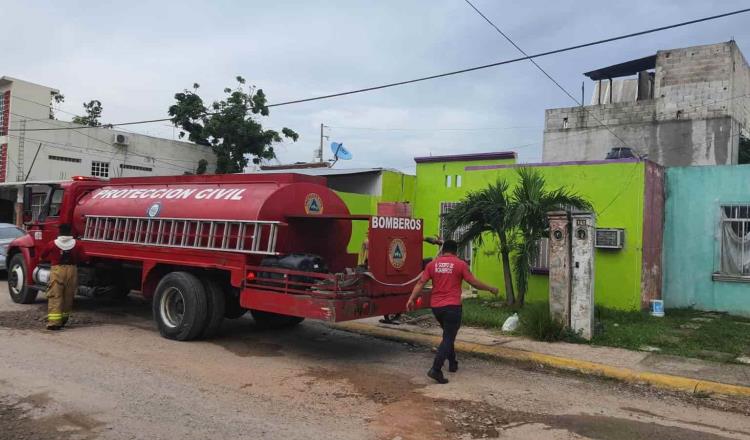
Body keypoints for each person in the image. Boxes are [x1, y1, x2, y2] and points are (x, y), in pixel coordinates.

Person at [406, 240, 498, 384]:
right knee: (449, 337)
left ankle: (453, 363)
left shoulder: (432, 264)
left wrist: (411, 299)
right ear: (456, 251)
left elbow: (420, 283)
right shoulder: (461, 264)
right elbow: (473, 282)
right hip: (452, 307)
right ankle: (436, 369)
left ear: (443, 250)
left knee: (448, 335)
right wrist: (490, 288)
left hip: (436, 307)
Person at [41, 224, 87, 331]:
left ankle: (54, 322)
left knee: (55, 295)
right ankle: (64, 319)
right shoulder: (78, 244)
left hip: (57, 270)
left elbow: (43, 255)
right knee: (68, 296)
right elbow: (84, 258)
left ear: (59, 232)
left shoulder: (52, 244)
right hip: (72, 270)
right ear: (70, 232)